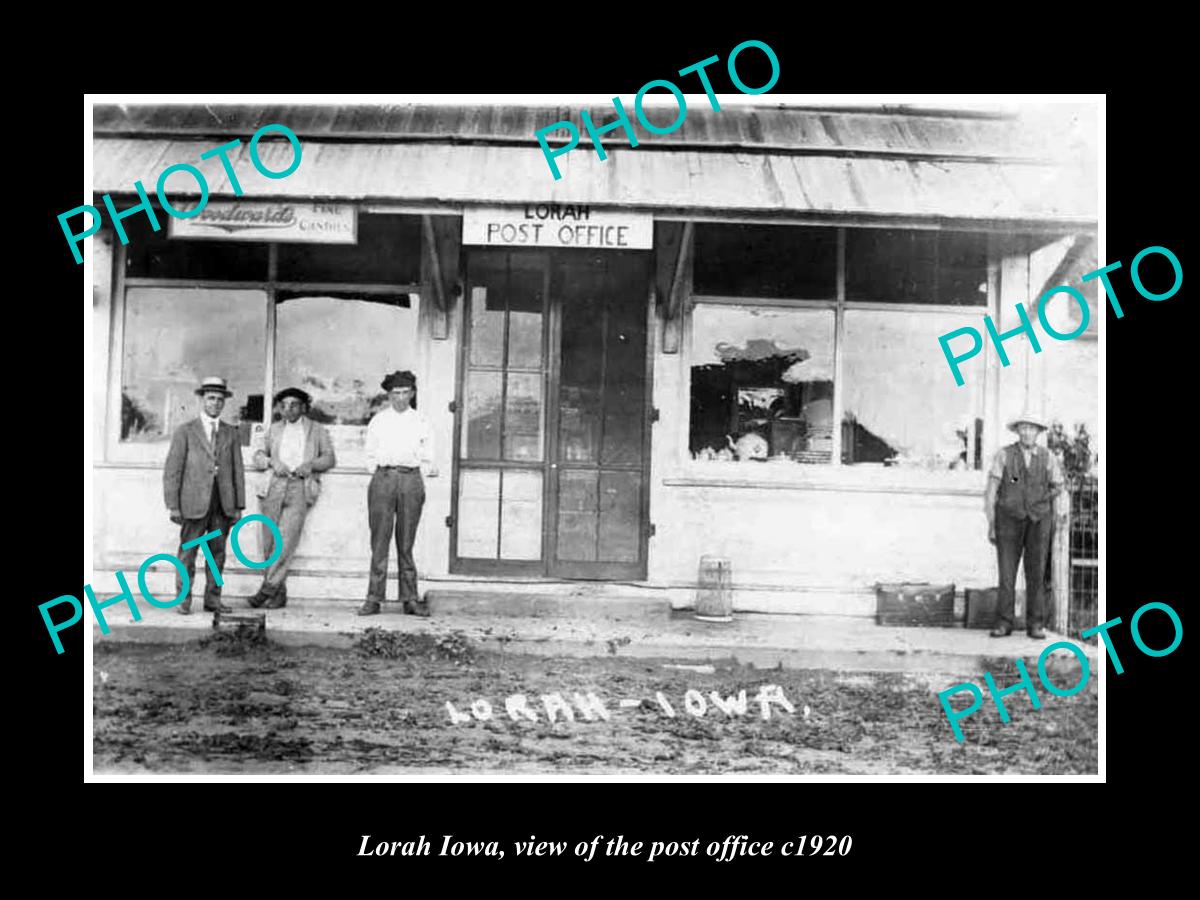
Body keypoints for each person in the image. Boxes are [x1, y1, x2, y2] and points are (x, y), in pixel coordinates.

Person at [162, 376, 246, 615]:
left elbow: (237, 470)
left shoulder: (231, 433)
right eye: (211, 398)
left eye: (220, 400)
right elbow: (172, 471)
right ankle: (183, 599)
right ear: (202, 400)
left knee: (217, 554)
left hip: (222, 504)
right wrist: (173, 505)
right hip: (192, 504)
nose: (216, 403)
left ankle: (213, 600)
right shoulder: (186, 431)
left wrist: (238, 505)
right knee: (188, 553)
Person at [249, 387, 337, 609]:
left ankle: (266, 589)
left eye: (294, 405)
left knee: (286, 540)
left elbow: (329, 458)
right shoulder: (274, 429)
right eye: (284, 405)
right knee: (269, 541)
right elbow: (257, 455)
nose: (288, 409)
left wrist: (310, 465)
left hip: (299, 487)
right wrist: (271, 462)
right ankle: (279, 594)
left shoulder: (316, 430)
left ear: (304, 407)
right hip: (273, 487)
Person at [359, 370, 437, 617]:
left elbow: (429, 455)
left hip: (410, 479)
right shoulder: (379, 421)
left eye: (405, 393)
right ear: (389, 395)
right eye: (396, 393)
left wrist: (415, 474)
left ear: (412, 394)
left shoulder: (422, 421)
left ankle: (410, 599)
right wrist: (382, 472)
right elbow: (369, 454)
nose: (401, 398)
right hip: (383, 478)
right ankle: (374, 598)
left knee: (406, 542)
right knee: (380, 541)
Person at [984, 410, 1067, 640]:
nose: (1028, 432)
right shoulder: (1004, 455)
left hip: (1039, 521)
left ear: (1038, 432)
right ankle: (1004, 623)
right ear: (1018, 431)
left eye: (1032, 428)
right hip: (1008, 520)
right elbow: (992, 490)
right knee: (1007, 572)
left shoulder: (1047, 457)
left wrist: (1043, 500)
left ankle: (1035, 624)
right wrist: (992, 522)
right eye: (1024, 428)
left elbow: (1058, 484)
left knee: (1036, 572)